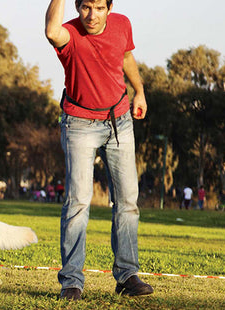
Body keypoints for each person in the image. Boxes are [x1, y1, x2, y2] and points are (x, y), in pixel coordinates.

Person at [45, 0, 153, 300]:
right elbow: (52, 30)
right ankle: (71, 281)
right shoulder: (69, 33)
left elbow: (126, 57)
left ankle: (128, 276)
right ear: (77, 7)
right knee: (78, 201)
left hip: (119, 120)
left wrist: (139, 91)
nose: (92, 15)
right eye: (85, 7)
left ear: (109, 8)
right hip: (79, 123)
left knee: (128, 200)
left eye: (99, 8)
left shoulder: (122, 24)